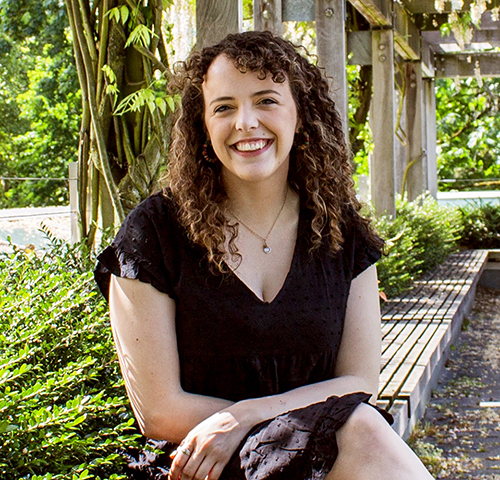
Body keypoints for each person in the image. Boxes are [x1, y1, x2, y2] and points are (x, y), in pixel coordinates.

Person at [95, 31, 434, 480]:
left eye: (266, 100)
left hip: (318, 458)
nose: (245, 122)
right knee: (364, 434)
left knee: (362, 429)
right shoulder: (155, 233)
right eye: (224, 107)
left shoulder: (339, 228)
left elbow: (359, 383)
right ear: (203, 126)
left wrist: (250, 415)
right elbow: (158, 411)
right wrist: (254, 425)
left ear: (300, 117)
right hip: (200, 465)